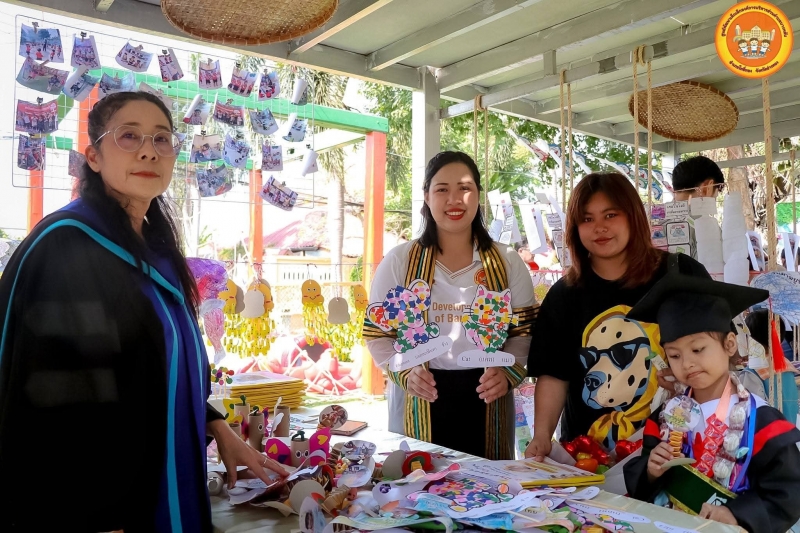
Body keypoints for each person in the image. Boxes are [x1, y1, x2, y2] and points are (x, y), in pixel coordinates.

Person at [0, 91, 288, 531]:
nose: (149, 151)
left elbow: (149, 369)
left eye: (161, 138)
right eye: (129, 136)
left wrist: (216, 426)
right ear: (93, 158)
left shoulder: (157, 253)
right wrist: (99, 517)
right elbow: (55, 399)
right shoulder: (66, 246)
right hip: (101, 508)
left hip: (167, 482)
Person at [525, 172, 712, 460]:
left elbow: (717, 354)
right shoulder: (564, 294)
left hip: (675, 449)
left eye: (610, 215)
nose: (599, 228)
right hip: (586, 459)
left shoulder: (681, 275)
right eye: (587, 219)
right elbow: (554, 375)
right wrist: (541, 437)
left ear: (633, 216)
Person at [364, 151, 536, 459]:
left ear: (478, 195)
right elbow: (377, 335)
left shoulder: (507, 261)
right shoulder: (400, 261)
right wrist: (404, 371)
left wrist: (507, 373)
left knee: (488, 483)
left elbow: (523, 333)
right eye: (442, 189)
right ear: (427, 196)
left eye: (465, 188)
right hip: (420, 394)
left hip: (487, 395)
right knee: (418, 479)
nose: (454, 199)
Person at [623, 274, 800, 533]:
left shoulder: (761, 421)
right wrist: (651, 471)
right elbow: (645, 473)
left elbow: (789, 491)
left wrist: (737, 514)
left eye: (698, 350)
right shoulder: (666, 417)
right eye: (674, 355)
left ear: (729, 344)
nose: (687, 363)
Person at [745, 309, 799, 424]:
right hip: (790, 427)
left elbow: (750, 411)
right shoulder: (786, 365)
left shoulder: (751, 373)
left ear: (750, 339)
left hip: (769, 432)